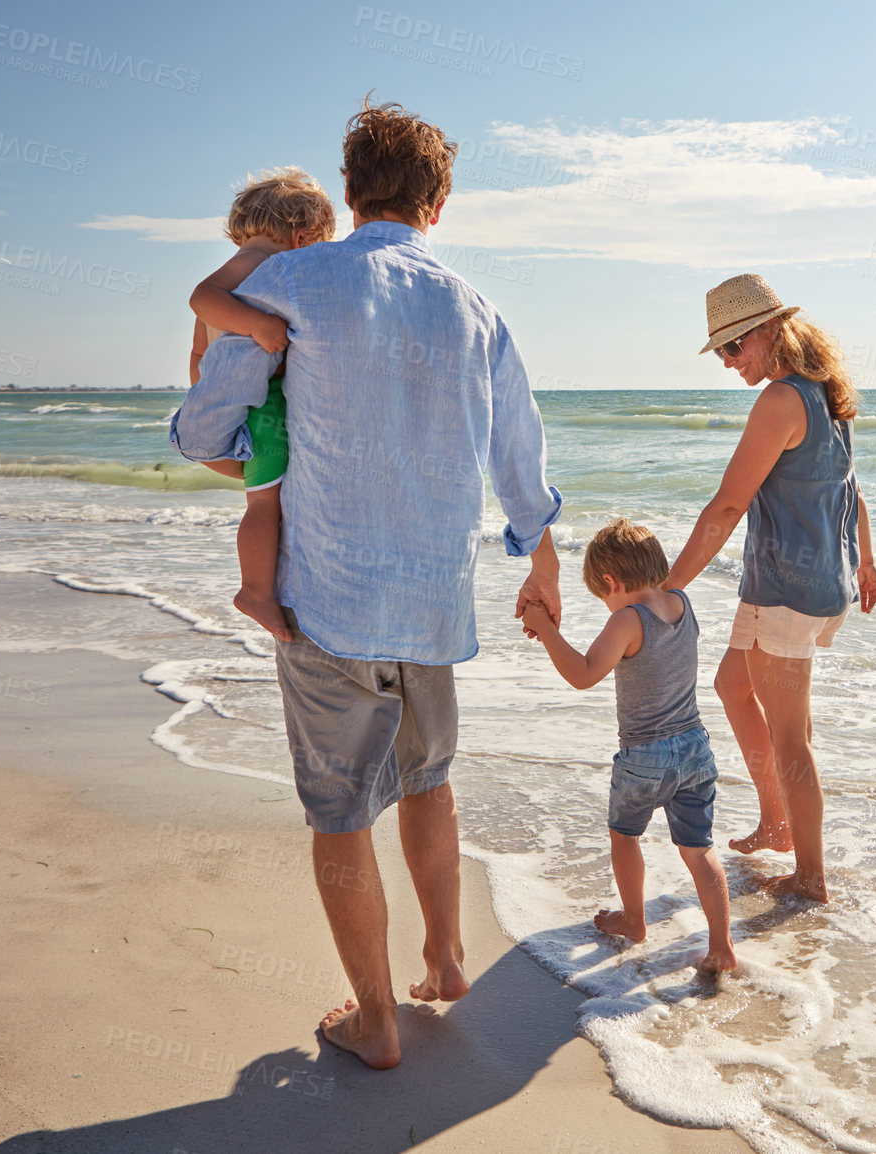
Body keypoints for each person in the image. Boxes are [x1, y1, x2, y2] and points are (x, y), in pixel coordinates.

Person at [170, 99, 563, 1070]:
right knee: (428, 780)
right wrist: (538, 554)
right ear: (440, 202)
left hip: (326, 604)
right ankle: (445, 954)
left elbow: (202, 432)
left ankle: (376, 1018)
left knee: (341, 810)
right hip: (434, 605)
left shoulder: (293, 280)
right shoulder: (476, 308)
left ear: (347, 191)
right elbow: (520, 458)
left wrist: (275, 461)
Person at [664, 275, 876, 904]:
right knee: (732, 684)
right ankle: (777, 821)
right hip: (811, 582)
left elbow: (729, 504)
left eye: (734, 349)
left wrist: (668, 588)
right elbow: (851, 490)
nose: (730, 364)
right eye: (723, 354)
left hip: (788, 589)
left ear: (765, 331)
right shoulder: (824, 394)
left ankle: (811, 876)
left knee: (793, 738)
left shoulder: (781, 401)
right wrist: (866, 563)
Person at [518, 519, 736, 974]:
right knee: (700, 850)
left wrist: (545, 629)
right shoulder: (681, 602)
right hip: (696, 747)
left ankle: (635, 920)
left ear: (610, 583)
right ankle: (721, 946)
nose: (607, 606)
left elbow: (582, 674)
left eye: (603, 597)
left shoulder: (626, 619)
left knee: (625, 836)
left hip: (644, 756)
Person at [186, 169, 337, 643]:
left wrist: (208, 400)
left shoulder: (254, 268)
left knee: (268, 499)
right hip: (259, 407)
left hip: (239, 407)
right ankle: (255, 591)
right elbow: (200, 298)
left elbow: (197, 354)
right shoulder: (255, 261)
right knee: (264, 505)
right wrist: (256, 325)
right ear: (301, 235)